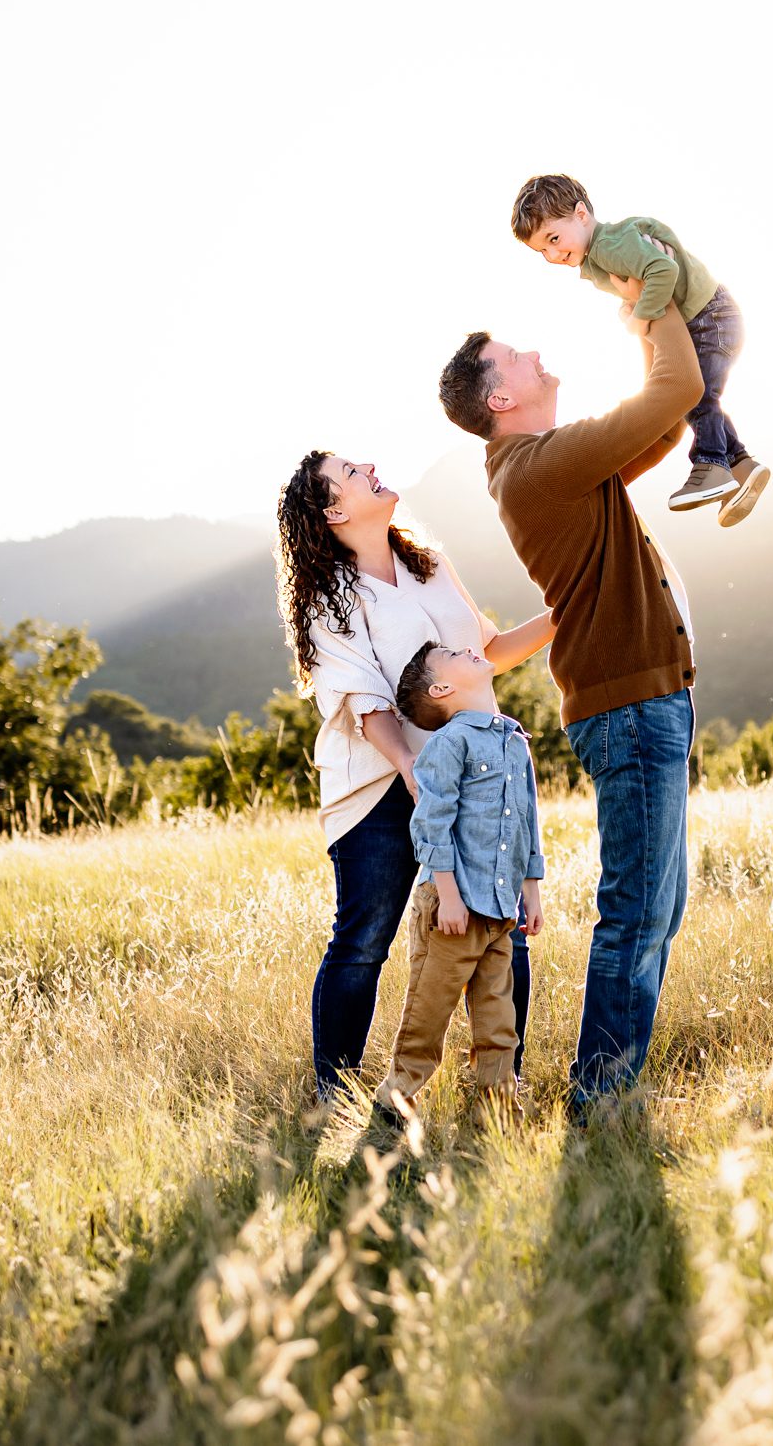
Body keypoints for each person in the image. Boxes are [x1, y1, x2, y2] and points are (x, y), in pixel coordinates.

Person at [433, 292, 700, 1114]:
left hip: (643, 701)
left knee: (658, 904)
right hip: (629, 709)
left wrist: (668, 363)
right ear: (499, 397)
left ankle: (612, 1089)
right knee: (636, 910)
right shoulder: (542, 466)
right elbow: (677, 388)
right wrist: (652, 296)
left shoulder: (550, 461)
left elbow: (666, 426)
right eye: (515, 357)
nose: (534, 354)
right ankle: (600, 1101)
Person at [275, 451, 553, 1103]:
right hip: (376, 788)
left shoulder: (427, 564)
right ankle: (334, 1099)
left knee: (498, 920)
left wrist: (564, 613)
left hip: (469, 778)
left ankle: (500, 1083)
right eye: (350, 469)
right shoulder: (328, 597)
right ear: (335, 509)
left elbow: (486, 652)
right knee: (365, 939)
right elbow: (363, 699)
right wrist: (409, 767)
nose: (369, 463)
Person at [510, 172, 768, 525]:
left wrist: (639, 317)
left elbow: (663, 268)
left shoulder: (609, 246)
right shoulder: (600, 253)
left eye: (554, 238)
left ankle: (711, 463)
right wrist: (633, 305)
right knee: (700, 396)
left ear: (582, 215)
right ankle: (740, 464)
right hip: (705, 318)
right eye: (542, 250)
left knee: (695, 395)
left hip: (709, 318)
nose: (552, 254)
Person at [368, 640, 546, 1119]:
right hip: (452, 905)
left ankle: (498, 1106)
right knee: (429, 1011)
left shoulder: (514, 739)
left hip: (499, 910)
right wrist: (448, 895)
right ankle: (396, 1098)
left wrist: (531, 890)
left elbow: (527, 820)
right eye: (450, 653)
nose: (469, 648)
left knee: (498, 1019)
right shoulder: (451, 744)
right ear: (443, 687)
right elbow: (431, 822)